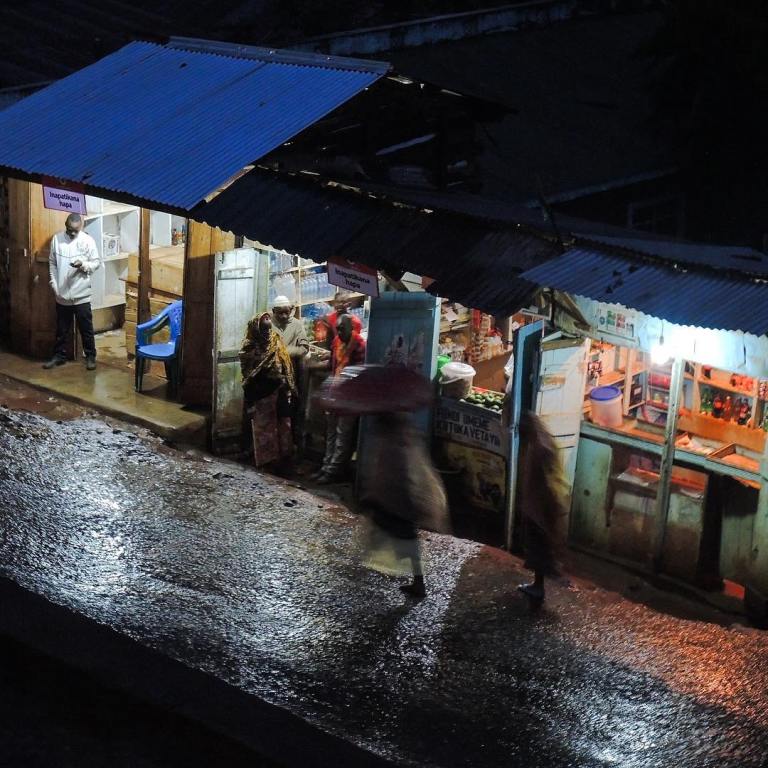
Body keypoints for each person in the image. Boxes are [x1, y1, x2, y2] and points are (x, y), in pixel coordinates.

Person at [317, 365, 448, 597]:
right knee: (401, 538)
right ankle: (411, 579)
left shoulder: (394, 437)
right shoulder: (401, 431)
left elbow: (396, 472)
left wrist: (375, 493)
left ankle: (410, 580)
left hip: (399, 498)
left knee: (399, 537)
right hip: (399, 498)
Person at [516, 411, 568, 605]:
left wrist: (538, 509)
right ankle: (539, 584)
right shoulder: (542, 443)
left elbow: (545, 483)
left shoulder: (540, 449)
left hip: (540, 507)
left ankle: (540, 586)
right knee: (540, 547)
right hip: (540, 505)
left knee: (539, 547)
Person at [239, 312, 297, 471]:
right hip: (262, 391)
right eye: (264, 318)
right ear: (255, 325)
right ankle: (267, 463)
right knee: (264, 428)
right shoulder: (249, 345)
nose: (268, 319)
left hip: (280, 389)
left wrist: (286, 382)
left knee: (284, 424)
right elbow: (249, 372)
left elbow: (285, 362)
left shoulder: (275, 340)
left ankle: (285, 459)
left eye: (268, 318)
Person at [44, 213, 101, 370]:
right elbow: (52, 263)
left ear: (81, 227)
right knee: (62, 329)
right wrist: (54, 284)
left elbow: (96, 263)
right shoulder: (57, 239)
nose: (72, 234)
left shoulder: (87, 241)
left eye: (75, 231)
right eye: (69, 230)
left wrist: (83, 264)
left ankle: (90, 357)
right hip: (62, 295)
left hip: (81, 294)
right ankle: (59, 356)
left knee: (86, 329)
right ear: (66, 226)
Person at [313, 314, 366, 484]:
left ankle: (334, 470)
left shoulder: (359, 344)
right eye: (338, 328)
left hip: (350, 397)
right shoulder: (336, 342)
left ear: (352, 328)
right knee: (331, 433)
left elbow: (359, 372)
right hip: (335, 393)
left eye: (342, 328)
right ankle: (326, 466)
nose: (339, 331)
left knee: (343, 435)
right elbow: (333, 366)